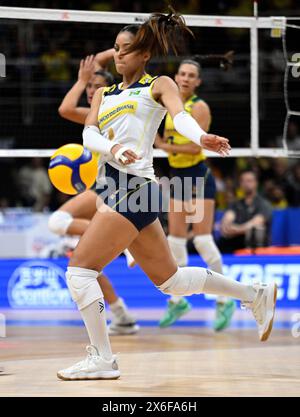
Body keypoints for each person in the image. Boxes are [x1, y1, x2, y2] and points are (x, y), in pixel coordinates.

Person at [57, 9, 277, 381]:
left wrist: (200, 138)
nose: (120, 54)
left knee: (80, 270)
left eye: (127, 49)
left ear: (144, 55)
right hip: (117, 187)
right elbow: (88, 136)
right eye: (116, 49)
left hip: (135, 188)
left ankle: (103, 358)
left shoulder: (158, 84)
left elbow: (181, 117)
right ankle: (254, 294)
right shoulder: (103, 94)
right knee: (170, 280)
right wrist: (111, 150)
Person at [49, 53, 139, 336]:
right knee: (87, 266)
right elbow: (65, 108)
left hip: (116, 184)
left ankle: (125, 240)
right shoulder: (93, 114)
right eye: (88, 88)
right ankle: (122, 315)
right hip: (101, 185)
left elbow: (65, 109)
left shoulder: (116, 108)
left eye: (94, 87)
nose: (89, 91)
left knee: (57, 222)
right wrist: (110, 57)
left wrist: (116, 55)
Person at [155, 59, 236, 331]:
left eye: (191, 75)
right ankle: (177, 301)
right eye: (182, 74)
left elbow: (193, 148)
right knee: (175, 241)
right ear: (175, 77)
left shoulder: (199, 107)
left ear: (198, 82)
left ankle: (225, 301)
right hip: (178, 178)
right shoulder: (168, 106)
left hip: (197, 177)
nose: (186, 78)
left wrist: (162, 145)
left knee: (202, 240)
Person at [220, 170, 273, 253]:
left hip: (256, 246)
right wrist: (237, 229)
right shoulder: (235, 204)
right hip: (234, 244)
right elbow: (226, 223)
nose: (246, 184)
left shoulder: (264, 204)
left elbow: (256, 223)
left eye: (249, 181)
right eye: (243, 181)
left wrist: (237, 229)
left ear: (256, 183)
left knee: (257, 231)